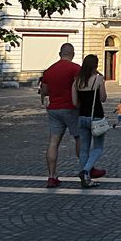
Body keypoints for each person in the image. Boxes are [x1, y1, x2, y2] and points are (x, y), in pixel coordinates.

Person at [39, 43, 82, 188]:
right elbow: (80, 87)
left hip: (54, 109)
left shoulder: (49, 70)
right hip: (71, 108)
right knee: (79, 137)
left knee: (53, 142)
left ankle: (52, 176)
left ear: (59, 53)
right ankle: (85, 170)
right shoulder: (75, 68)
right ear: (73, 54)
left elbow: (44, 91)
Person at [72, 54, 108, 188]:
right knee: (98, 148)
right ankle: (85, 171)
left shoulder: (76, 81)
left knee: (83, 149)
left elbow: (75, 103)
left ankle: (85, 179)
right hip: (97, 116)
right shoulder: (98, 79)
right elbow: (103, 98)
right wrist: (101, 82)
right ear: (95, 66)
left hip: (82, 117)